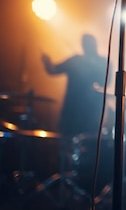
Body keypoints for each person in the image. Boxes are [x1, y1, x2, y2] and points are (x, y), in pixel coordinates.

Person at [41, 33, 110, 198]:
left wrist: (46, 61)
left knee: (89, 151)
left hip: (90, 115)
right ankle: (70, 184)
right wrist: (46, 61)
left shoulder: (93, 61)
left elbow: (53, 70)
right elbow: (53, 69)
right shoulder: (79, 61)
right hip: (76, 114)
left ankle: (84, 185)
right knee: (68, 149)